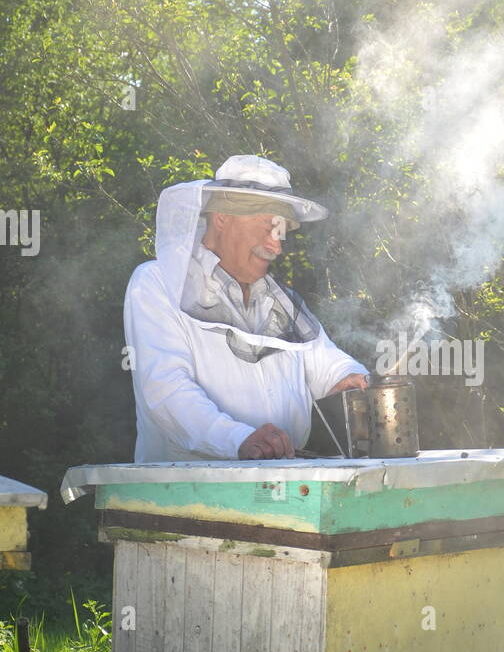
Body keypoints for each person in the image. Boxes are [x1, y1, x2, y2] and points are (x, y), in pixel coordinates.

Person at [123, 155, 369, 462]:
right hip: (182, 492)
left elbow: (328, 363)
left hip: (282, 486)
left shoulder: (282, 300)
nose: (276, 247)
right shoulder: (158, 283)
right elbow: (166, 390)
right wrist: (237, 439)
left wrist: (351, 379)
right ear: (223, 218)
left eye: (280, 233)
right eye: (268, 228)